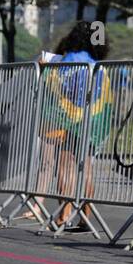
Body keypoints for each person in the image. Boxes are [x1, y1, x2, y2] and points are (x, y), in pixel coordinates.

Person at [40, 21, 112, 231]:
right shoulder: (97, 64)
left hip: (69, 120)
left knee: (65, 163)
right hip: (93, 119)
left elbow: (54, 85)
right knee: (86, 166)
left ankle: (64, 214)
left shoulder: (69, 59)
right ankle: (85, 217)